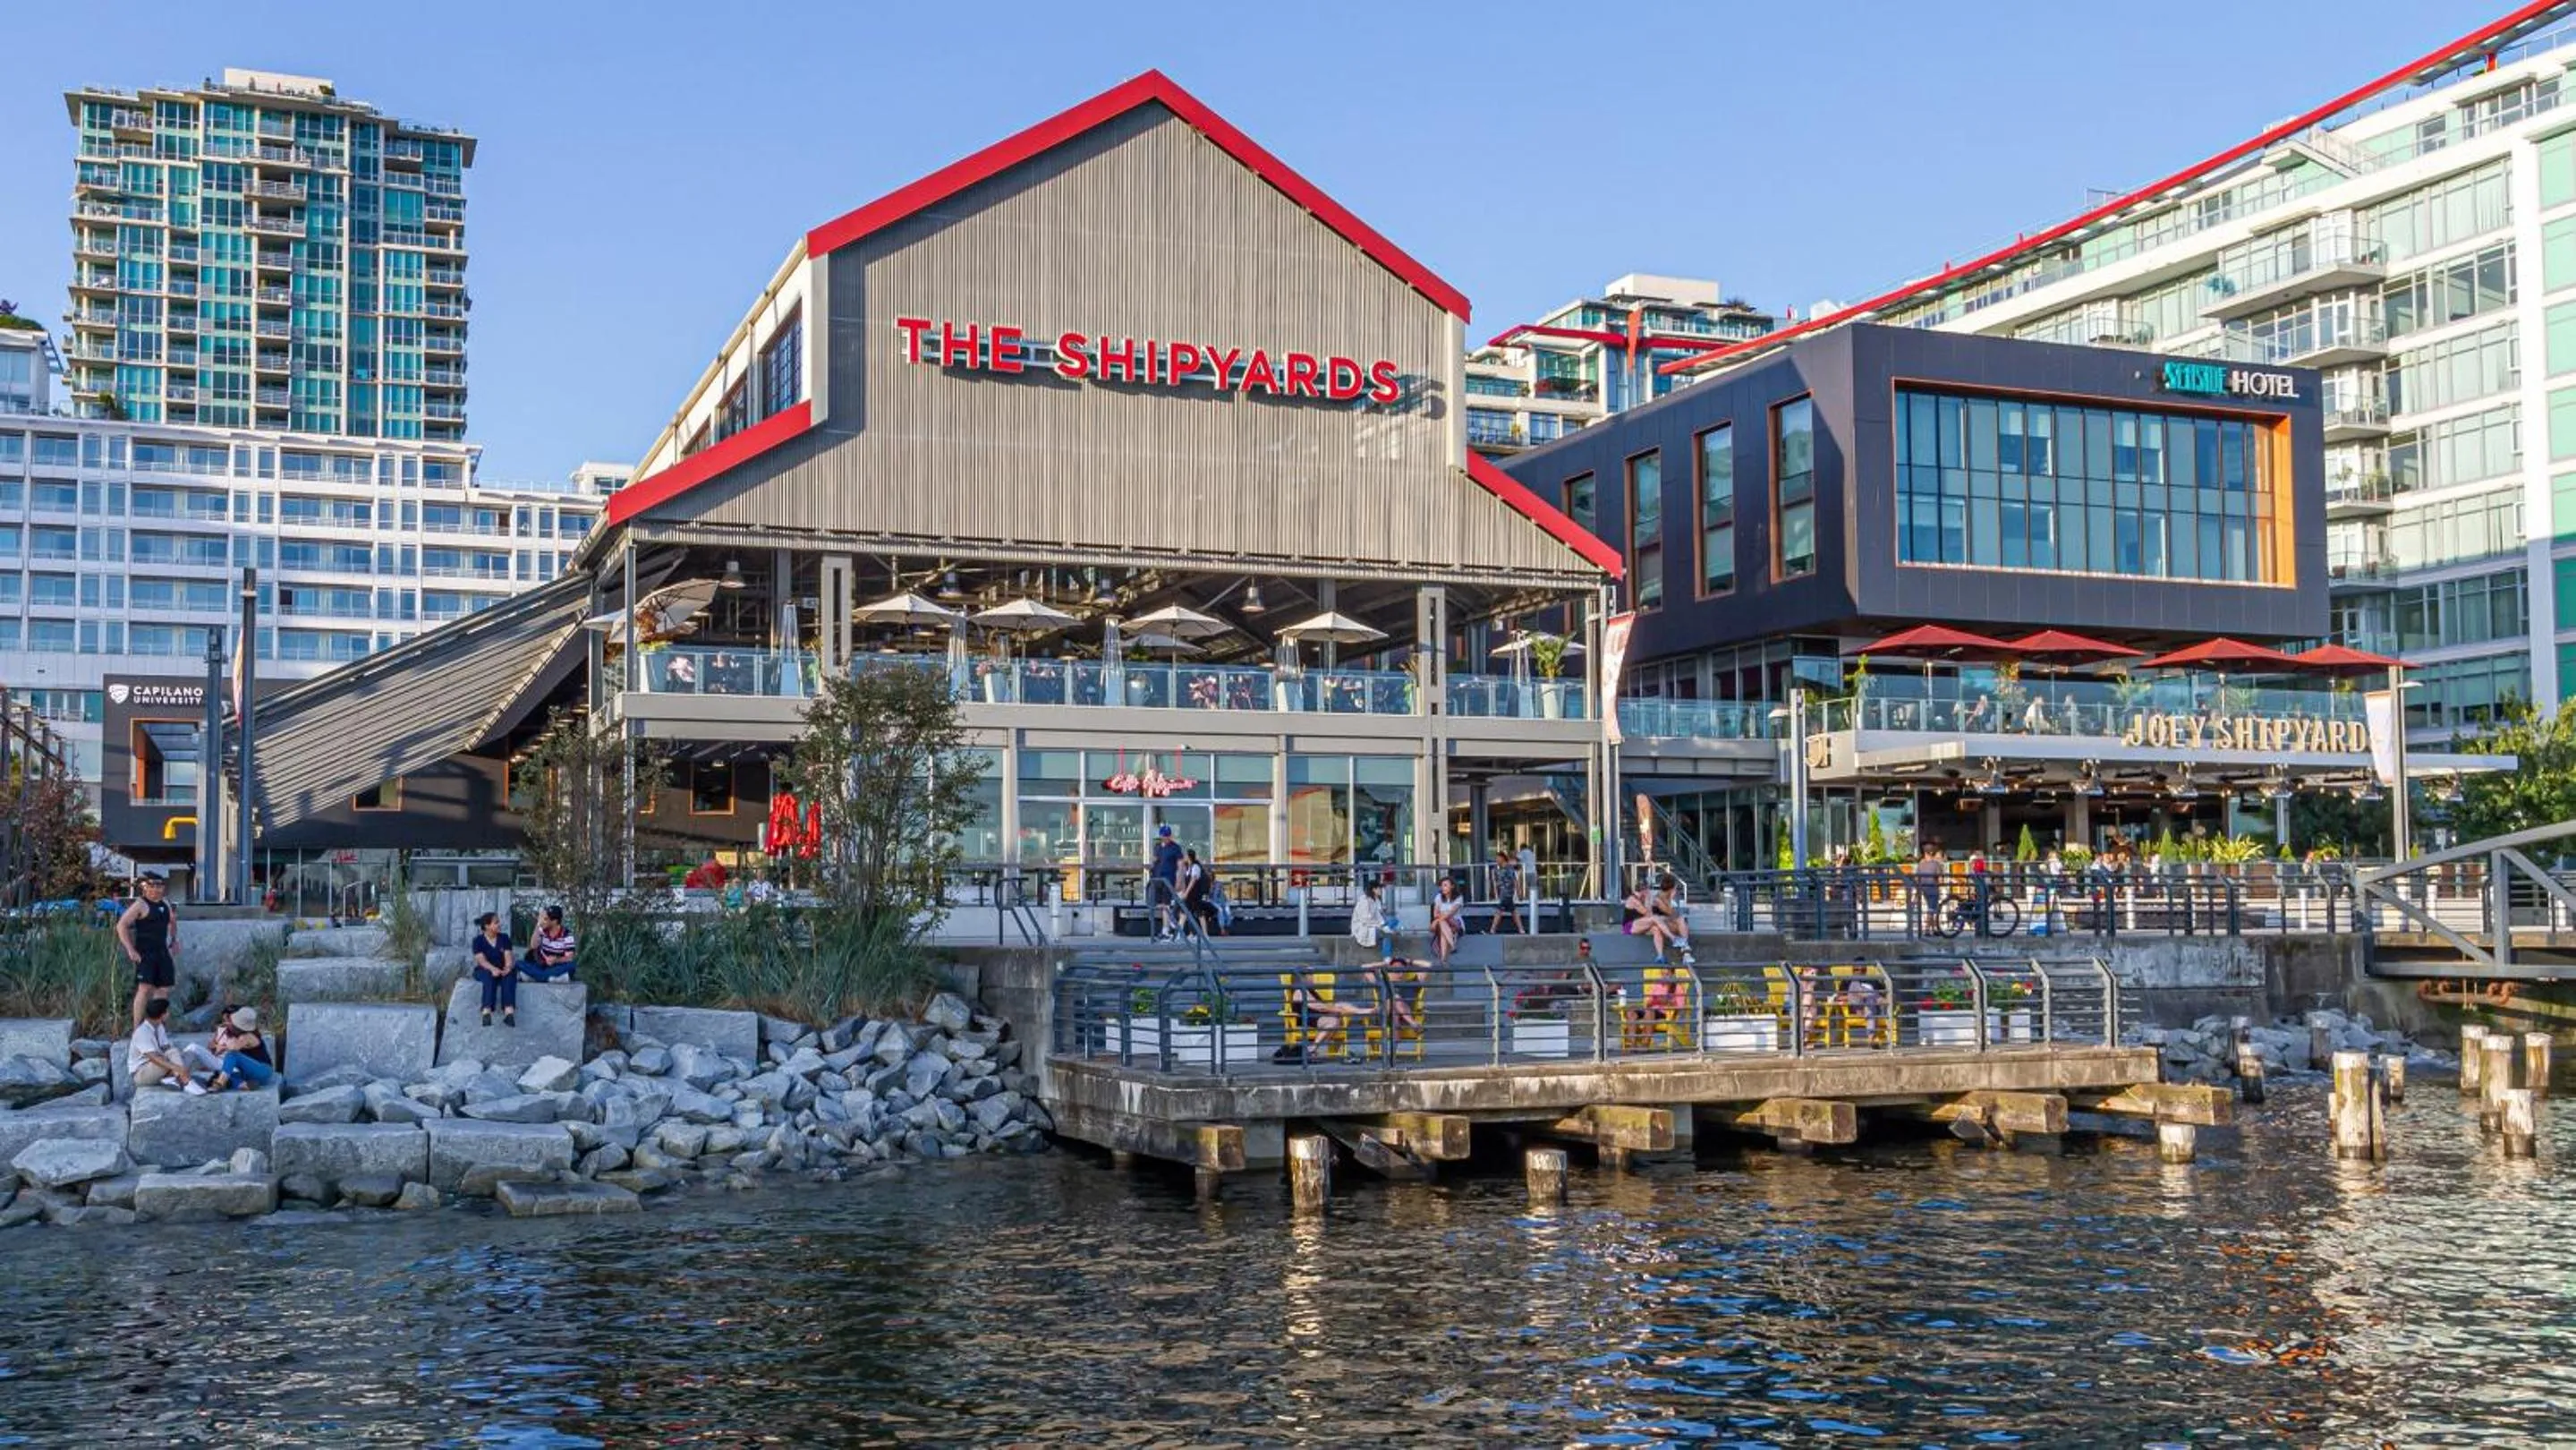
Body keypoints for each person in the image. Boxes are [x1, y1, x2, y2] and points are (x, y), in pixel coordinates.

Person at [117, 873, 180, 1028]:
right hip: (145, 952)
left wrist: (173, 940)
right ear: (145, 888)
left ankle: (158, 1027)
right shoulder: (140, 904)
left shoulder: (166, 903)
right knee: (144, 989)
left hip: (162, 951)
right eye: (152, 886)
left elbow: (172, 922)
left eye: (159, 886)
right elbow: (121, 925)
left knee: (163, 989)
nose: (155, 890)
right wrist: (130, 949)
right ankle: (137, 1028)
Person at [128, 997, 202, 1095]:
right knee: (173, 1056)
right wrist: (177, 1067)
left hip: (160, 1067)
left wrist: (179, 1057)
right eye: (167, 1011)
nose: (169, 1013)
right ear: (162, 1015)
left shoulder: (159, 1027)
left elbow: (167, 1048)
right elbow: (154, 1058)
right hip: (142, 1073)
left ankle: (173, 1078)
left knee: (189, 1055)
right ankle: (185, 1081)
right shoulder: (142, 1032)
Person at [202, 1007, 274, 1092]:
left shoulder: (248, 1036)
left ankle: (220, 1083)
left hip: (262, 1070)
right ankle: (243, 1085)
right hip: (251, 1074)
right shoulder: (241, 1035)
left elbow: (233, 1047)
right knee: (218, 1075)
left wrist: (221, 1046)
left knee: (232, 1055)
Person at [470, 911, 518, 1028]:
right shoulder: (478, 941)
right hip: (484, 970)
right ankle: (486, 1011)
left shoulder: (504, 938)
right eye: (496, 923)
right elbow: (481, 960)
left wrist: (507, 968)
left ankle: (509, 1012)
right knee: (488, 976)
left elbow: (508, 956)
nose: (499, 924)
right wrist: (493, 969)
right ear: (487, 926)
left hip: (502, 969)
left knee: (509, 976)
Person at [519, 905, 578, 982]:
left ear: (554, 921)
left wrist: (556, 960)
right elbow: (533, 945)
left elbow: (569, 958)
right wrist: (538, 924)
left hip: (557, 966)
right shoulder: (542, 930)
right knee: (518, 963)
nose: (543, 921)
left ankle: (537, 976)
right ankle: (549, 977)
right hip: (541, 965)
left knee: (571, 965)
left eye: (546, 919)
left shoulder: (567, 935)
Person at [1148, 824, 1184, 941]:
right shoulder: (1158, 847)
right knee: (1159, 904)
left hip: (1168, 878)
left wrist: (1179, 881)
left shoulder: (1175, 848)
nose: (1166, 838)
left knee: (1166, 903)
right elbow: (1154, 860)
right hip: (1157, 878)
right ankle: (1171, 922)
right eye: (1164, 836)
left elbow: (1180, 865)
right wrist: (1151, 865)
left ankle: (1166, 929)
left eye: (1167, 836)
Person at [1350, 880, 1398, 962]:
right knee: (1386, 933)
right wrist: (1382, 927)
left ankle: (1389, 930)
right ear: (1374, 889)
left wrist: (1384, 925)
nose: (1381, 891)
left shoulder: (1376, 900)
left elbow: (1379, 917)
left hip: (1374, 924)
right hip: (1364, 927)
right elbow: (1366, 920)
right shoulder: (1364, 901)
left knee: (1393, 921)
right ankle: (1386, 956)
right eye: (1379, 889)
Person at [1178, 849, 1217, 937]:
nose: (1184, 857)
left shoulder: (1195, 867)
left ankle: (1203, 934)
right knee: (1185, 913)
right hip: (1191, 895)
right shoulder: (1189, 868)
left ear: (1189, 857)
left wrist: (1186, 893)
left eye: (1185, 855)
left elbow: (1193, 881)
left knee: (1197, 913)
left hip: (1194, 895)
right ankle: (1181, 934)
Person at [1430, 877, 1466, 967]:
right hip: (1442, 924)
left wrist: (1438, 919)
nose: (1443, 888)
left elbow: (1450, 914)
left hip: (1455, 922)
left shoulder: (1459, 898)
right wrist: (1439, 918)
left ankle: (1443, 960)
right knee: (1443, 924)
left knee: (1444, 924)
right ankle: (1452, 945)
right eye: (1442, 886)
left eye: (1445, 885)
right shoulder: (1438, 897)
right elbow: (1435, 914)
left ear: (1452, 886)